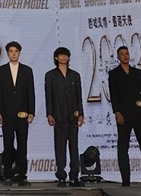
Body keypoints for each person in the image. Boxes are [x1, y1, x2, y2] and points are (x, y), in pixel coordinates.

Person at [108, 46, 141, 187]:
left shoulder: (137, 72)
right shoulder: (114, 74)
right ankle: (126, 180)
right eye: (122, 54)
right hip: (124, 114)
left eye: (127, 53)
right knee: (123, 147)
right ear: (118, 57)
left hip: (139, 113)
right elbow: (113, 94)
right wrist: (117, 112)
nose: (125, 56)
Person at [0, 41, 35, 186]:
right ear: (7, 53)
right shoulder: (1, 70)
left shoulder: (27, 70)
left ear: (19, 53)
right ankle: (8, 175)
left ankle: (22, 175)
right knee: (8, 143)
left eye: (16, 51)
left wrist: (31, 111)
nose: (13, 54)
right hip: (6, 113)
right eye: (11, 51)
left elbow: (31, 92)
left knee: (23, 144)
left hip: (23, 113)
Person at [44, 47, 84, 187]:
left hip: (73, 116)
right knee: (60, 147)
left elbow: (79, 96)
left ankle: (74, 176)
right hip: (58, 116)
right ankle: (61, 176)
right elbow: (48, 96)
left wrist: (81, 114)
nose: (63, 58)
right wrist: (49, 113)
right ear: (56, 58)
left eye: (66, 55)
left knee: (74, 147)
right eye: (61, 55)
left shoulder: (75, 75)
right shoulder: (50, 75)